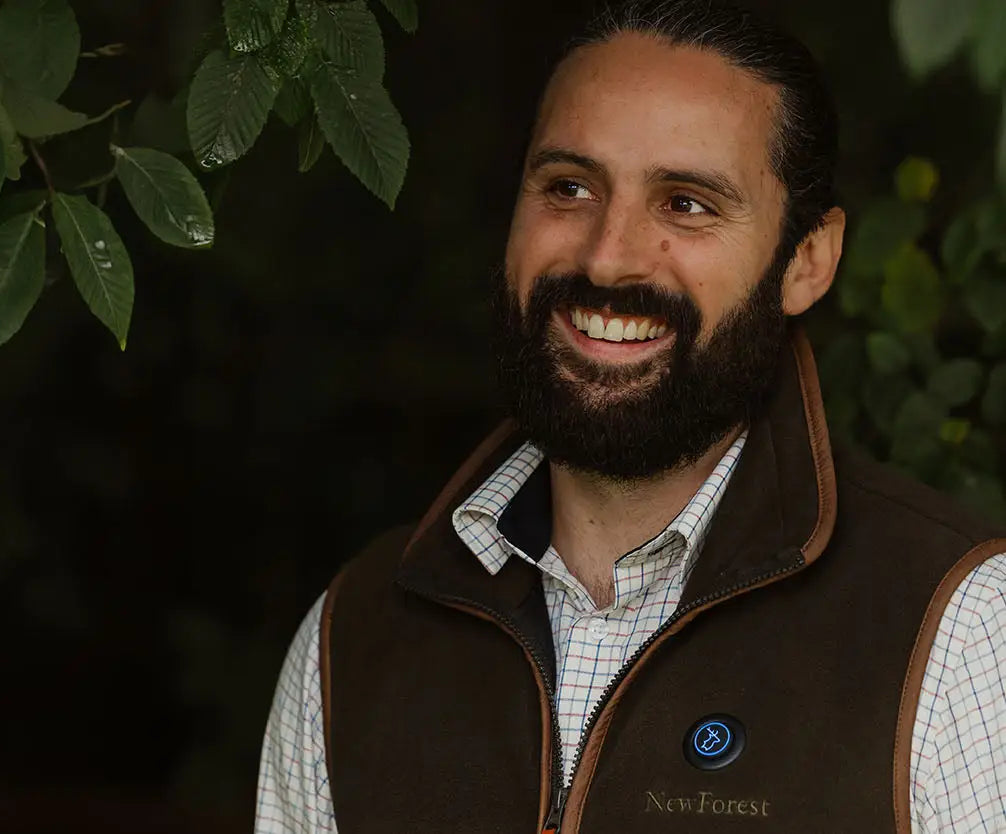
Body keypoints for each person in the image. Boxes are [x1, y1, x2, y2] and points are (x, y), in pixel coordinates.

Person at [254, 1, 1006, 832]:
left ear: (807, 261)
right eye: (569, 188)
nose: (608, 258)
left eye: (686, 203)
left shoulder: (963, 632)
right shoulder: (354, 637)